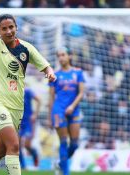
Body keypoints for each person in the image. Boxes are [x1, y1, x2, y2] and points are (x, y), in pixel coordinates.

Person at [0, 2, 56, 175]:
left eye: (11, 27)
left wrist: (50, 73)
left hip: (17, 107)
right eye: (4, 28)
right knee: (14, 145)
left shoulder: (26, 48)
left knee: (0, 151)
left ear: (16, 27)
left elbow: (45, 65)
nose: (8, 31)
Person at [48, 47, 84, 175]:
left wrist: (72, 106)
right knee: (63, 141)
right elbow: (51, 97)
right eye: (59, 55)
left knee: (74, 144)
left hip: (73, 110)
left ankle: (60, 163)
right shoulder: (54, 75)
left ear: (69, 56)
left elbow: (81, 93)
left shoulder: (78, 73)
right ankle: (65, 172)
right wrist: (49, 117)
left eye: (63, 55)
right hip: (59, 110)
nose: (61, 58)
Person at [19, 87, 41, 169]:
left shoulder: (27, 91)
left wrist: (35, 114)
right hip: (19, 121)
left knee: (27, 145)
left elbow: (39, 100)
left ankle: (35, 155)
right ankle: (22, 165)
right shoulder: (13, 92)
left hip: (28, 122)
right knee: (17, 145)